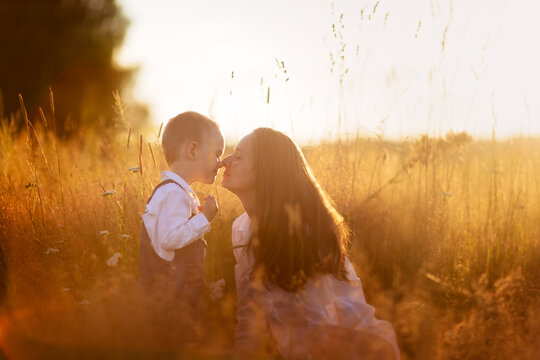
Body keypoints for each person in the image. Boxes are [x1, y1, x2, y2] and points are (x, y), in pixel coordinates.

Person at [221, 128, 400, 359]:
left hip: (360, 349)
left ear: (267, 170)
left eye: (239, 155)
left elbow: (320, 329)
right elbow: (249, 315)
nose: (225, 161)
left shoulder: (301, 234)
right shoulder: (241, 229)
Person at [139, 111, 224, 306]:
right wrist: (204, 219)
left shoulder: (173, 192)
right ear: (192, 151)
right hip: (170, 297)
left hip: (170, 294)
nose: (221, 163)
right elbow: (170, 238)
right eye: (217, 153)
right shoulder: (175, 193)